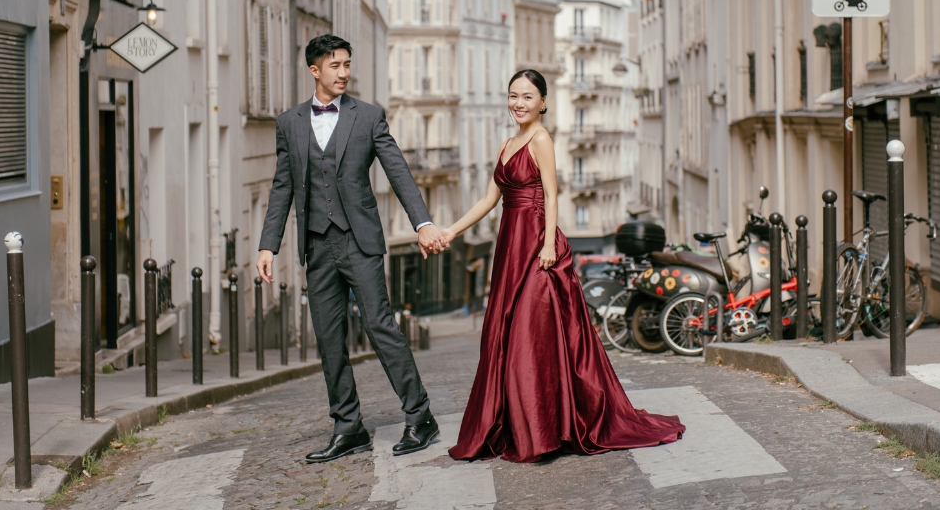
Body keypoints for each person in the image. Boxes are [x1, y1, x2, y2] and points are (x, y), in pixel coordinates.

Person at [444, 69, 685, 463]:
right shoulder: (507, 143)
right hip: (510, 244)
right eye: (513, 96)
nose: (518, 103)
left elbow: (552, 194)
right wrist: (451, 231)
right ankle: (523, 426)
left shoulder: (541, 138)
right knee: (507, 335)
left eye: (527, 97)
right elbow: (489, 200)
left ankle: (541, 432)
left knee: (529, 338)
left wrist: (547, 246)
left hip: (538, 246)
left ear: (542, 102)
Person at [257, 34, 448, 463]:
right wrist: (269, 245)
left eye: (347, 64)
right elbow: (282, 186)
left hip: (359, 241)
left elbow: (397, 169)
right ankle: (349, 427)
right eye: (335, 65)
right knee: (328, 339)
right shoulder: (290, 122)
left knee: (381, 327)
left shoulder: (369, 117)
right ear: (314, 71)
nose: (344, 72)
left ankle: (420, 417)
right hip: (317, 246)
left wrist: (423, 222)